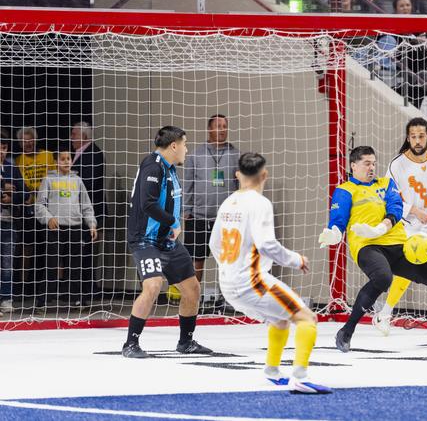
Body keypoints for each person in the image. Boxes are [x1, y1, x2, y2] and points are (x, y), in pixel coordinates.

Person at [319, 145, 427, 353]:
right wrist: (334, 234)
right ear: (353, 166)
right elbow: (338, 221)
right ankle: (346, 331)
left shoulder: (386, 184)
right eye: (366, 163)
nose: (372, 168)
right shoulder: (345, 190)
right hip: (368, 246)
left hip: (398, 246)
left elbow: (396, 209)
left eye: (373, 163)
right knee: (383, 278)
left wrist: (381, 228)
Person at [209, 152, 331, 394]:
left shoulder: (228, 202)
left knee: (279, 319)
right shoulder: (260, 203)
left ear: (237, 175)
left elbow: (214, 243)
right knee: (307, 318)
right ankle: (300, 377)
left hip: (228, 283)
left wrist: (229, 268)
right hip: (252, 283)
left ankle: (272, 371)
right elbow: (266, 244)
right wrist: (296, 260)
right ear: (264, 175)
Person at [123, 126, 212, 358]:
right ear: (174, 145)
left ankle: (186, 342)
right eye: (185, 144)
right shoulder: (153, 166)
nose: (186, 149)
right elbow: (148, 204)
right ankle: (130, 344)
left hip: (166, 240)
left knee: (192, 289)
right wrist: (173, 222)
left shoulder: (169, 168)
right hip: (145, 239)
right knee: (153, 286)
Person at [371, 118, 427, 336]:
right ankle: (384, 314)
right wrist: (413, 210)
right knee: (410, 268)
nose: (418, 141)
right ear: (408, 138)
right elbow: (388, 198)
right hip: (408, 224)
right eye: (413, 137)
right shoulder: (397, 164)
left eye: (421, 136)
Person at [183, 114, 240, 311]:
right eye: (218, 126)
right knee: (196, 259)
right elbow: (187, 184)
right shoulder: (196, 155)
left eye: (225, 126)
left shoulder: (236, 155)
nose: (222, 129)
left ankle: (227, 299)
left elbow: (240, 184)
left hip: (226, 218)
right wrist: (186, 210)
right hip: (198, 216)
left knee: (227, 260)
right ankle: (192, 300)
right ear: (209, 129)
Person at [34, 150, 97, 307]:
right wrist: (48, 218)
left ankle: (75, 298)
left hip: (75, 227)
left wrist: (92, 224)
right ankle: (43, 300)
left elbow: (86, 205)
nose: (66, 161)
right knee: (51, 265)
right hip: (55, 229)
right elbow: (39, 204)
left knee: (75, 265)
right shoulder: (48, 179)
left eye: (68, 158)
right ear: (56, 161)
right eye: (62, 159)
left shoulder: (78, 181)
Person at [15, 127, 56, 305]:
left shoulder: (48, 156)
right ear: (20, 143)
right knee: (25, 249)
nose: (28, 143)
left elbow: (54, 178)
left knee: (44, 249)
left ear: (35, 140)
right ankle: (23, 288)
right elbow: (19, 185)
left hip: (46, 209)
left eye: (30, 140)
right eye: (24, 141)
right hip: (27, 210)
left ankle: (43, 288)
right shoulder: (18, 160)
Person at [70, 121, 105, 304]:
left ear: (84, 136)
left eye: (74, 134)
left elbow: (88, 183)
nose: (71, 137)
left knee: (85, 252)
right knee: (80, 252)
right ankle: (83, 289)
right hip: (78, 211)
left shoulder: (93, 153)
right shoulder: (79, 153)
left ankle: (88, 290)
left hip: (89, 211)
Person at [0, 132, 27, 314]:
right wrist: (3, 187)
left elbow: (25, 192)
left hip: (8, 221)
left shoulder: (11, 167)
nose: (2, 152)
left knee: (7, 262)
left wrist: (11, 198)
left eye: (4, 148)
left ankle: (6, 298)